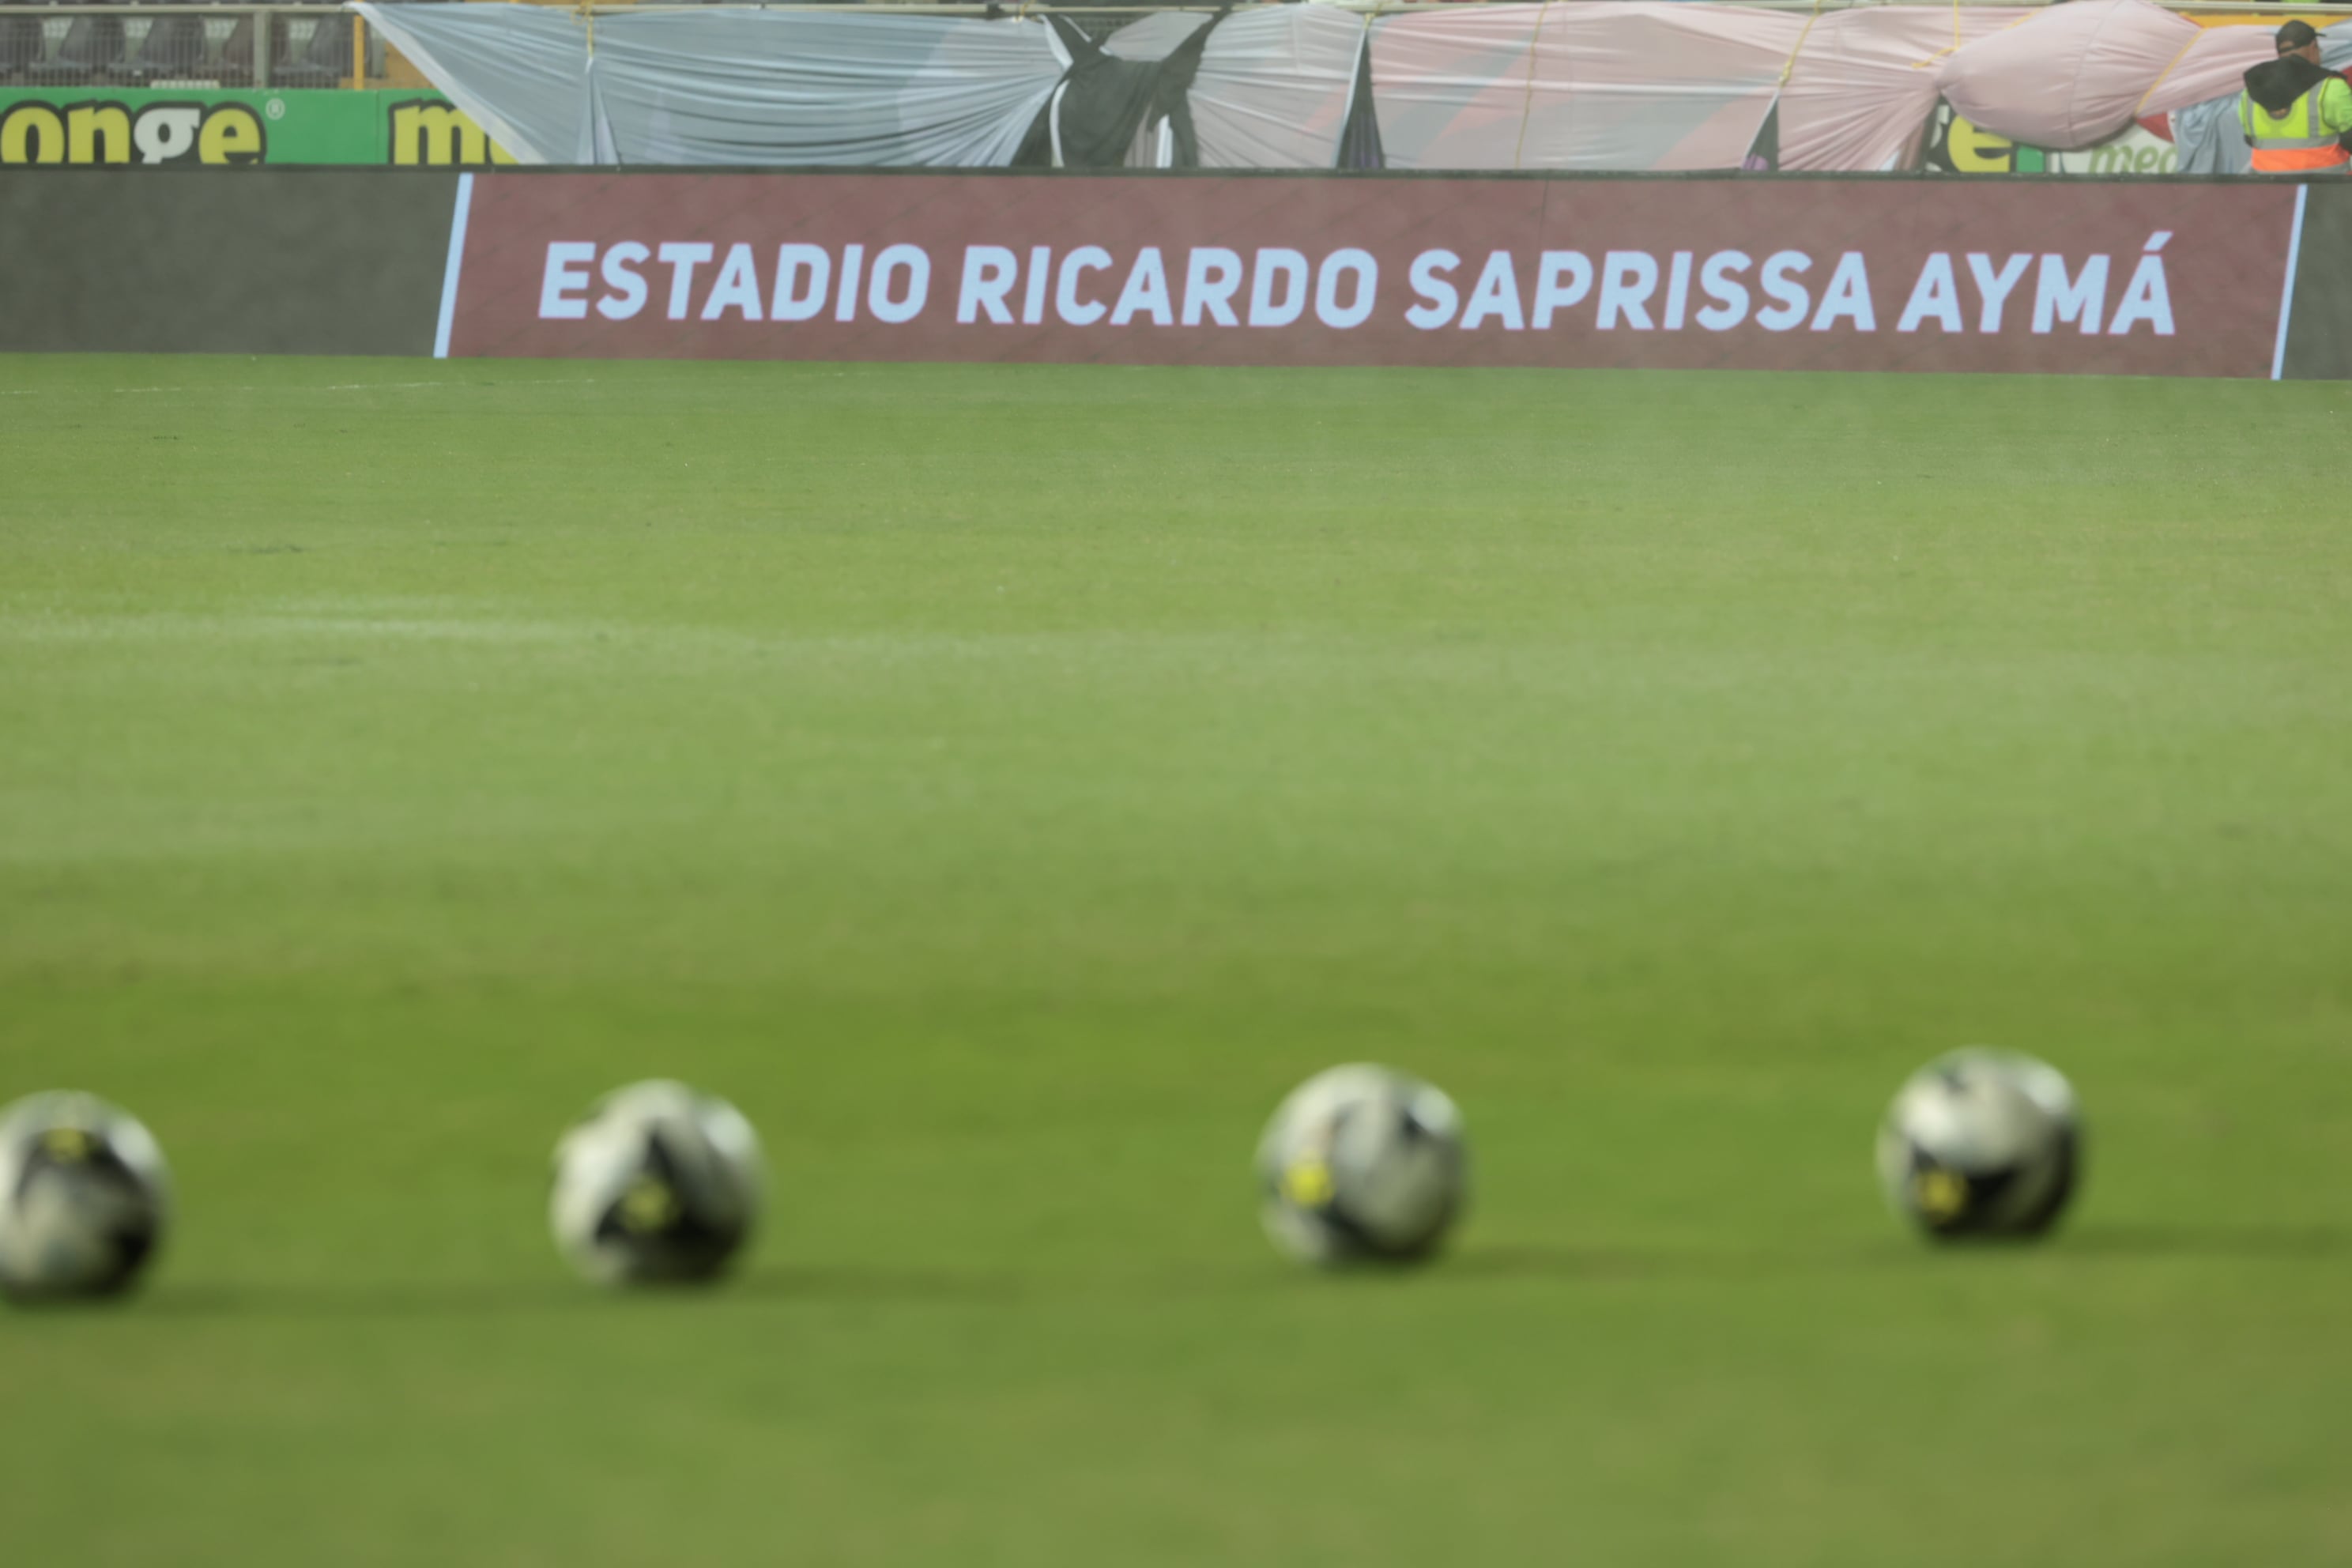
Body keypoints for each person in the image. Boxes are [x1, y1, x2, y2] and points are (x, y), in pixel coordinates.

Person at [2238, 21, 2352, 173]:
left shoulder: (2250, 93)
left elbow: (2250, 139)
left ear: (2279, 53)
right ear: (2313, 48)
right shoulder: (2330, 87)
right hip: (2326, 188)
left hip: (2269, 187)